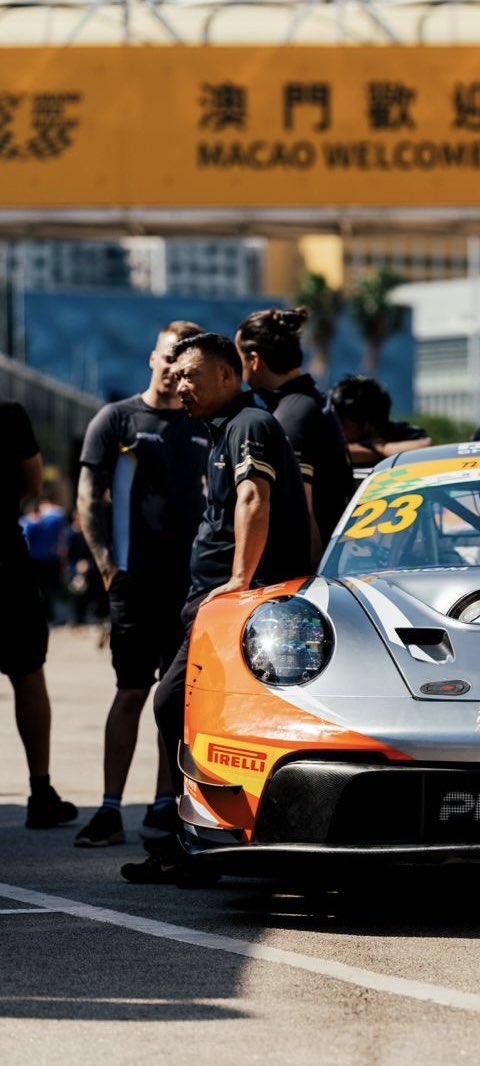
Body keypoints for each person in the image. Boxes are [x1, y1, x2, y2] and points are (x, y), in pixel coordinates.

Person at [121, 332, 310, 884]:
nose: (182, 386)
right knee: (191, 715)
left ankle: (199, 842)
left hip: (238, 609)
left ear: (229, 376)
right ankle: (193, 843)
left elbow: (256, 496)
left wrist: (237, 581)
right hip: (214, 606)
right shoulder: (220, 432)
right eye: (176, 376)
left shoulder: (249, 425)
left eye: (192, 376)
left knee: (171, 704)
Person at [74, 320, 209, 848]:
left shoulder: (208, 425)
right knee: (131, 691)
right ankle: (109, 807)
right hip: (133, 581)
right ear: (152, 357)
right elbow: (88, 499)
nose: (176, 367)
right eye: (169, 355)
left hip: (192, 589)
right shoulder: (117, 420)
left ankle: (162, 803)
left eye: (187, 359)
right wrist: (109, 568)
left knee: (175, 701)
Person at [0, 400, 77, 828]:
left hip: (9, 564)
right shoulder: (10, 415)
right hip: (5, 562)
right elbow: (30, 484)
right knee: (29, 675)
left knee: (30, 673)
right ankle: (40, 789)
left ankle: (42, 791)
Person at [236, 306, 352, 562]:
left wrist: (312, 584)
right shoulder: (310, 401)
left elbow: (304, 510)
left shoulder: (292, 415)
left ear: (254, 361)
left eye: (239, 359)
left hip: (307, 574)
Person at [330, 375, 431, 468]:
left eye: (344, 425)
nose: (338, 429)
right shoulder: (332, 440)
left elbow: (425, 447)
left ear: (369, 425)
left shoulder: (398, 432)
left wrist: (378, 447)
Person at [20, 487, 68, 624]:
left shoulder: (30, 519)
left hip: (34, 558)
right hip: (52, 557)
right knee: (52, 588)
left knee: (37, 588)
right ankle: (51, 614)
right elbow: (62, 538)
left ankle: (41, 614)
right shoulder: (59, 515)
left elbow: (26, 538)